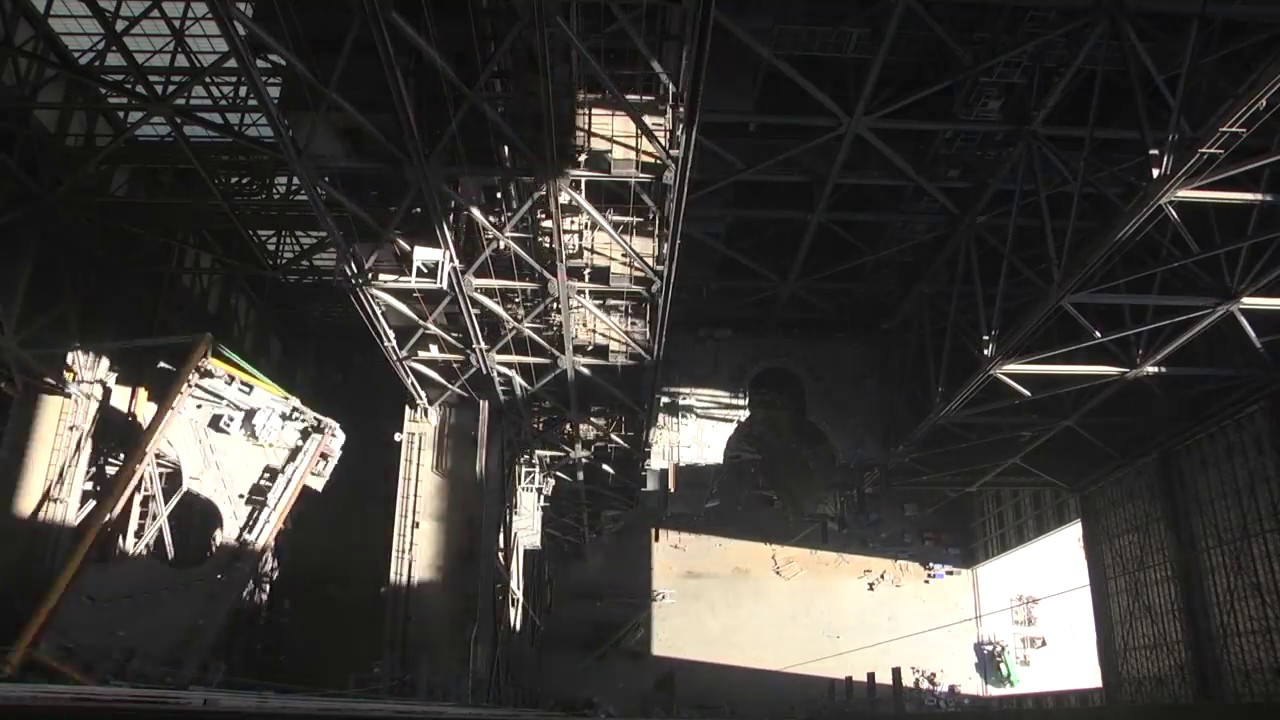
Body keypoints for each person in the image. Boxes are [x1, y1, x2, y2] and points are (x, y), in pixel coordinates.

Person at [717, 367, 836, 519]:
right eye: (758, 402)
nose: (764, 412)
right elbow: (729, 482)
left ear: (790, 403)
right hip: (752, 519)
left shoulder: (809, 435)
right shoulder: (744, 435)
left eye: (771, 403)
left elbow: (820, 483)